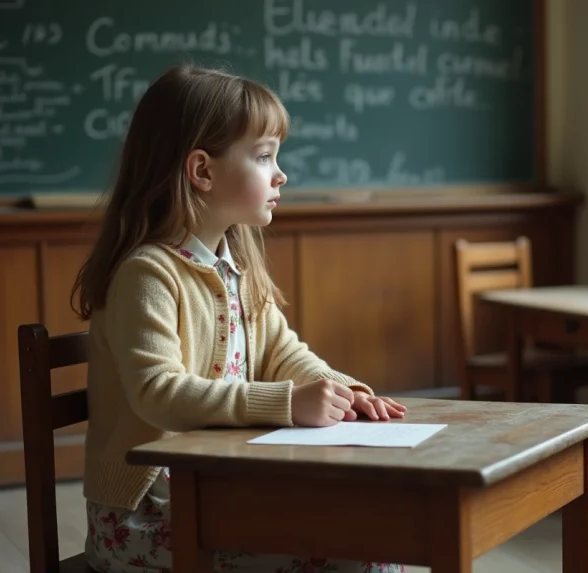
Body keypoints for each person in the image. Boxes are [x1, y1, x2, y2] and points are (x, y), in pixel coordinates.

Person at [70, 63, 407, 573]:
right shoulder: (148, 274)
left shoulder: (234, 266)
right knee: (365, 553)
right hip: (146, 518)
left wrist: (342, 391)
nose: (281, 174)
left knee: (377, 531)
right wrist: (287, 405)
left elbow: (281, 352)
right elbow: (159, 393)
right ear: (202, 171)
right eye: (264, 156)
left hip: (211, 492)